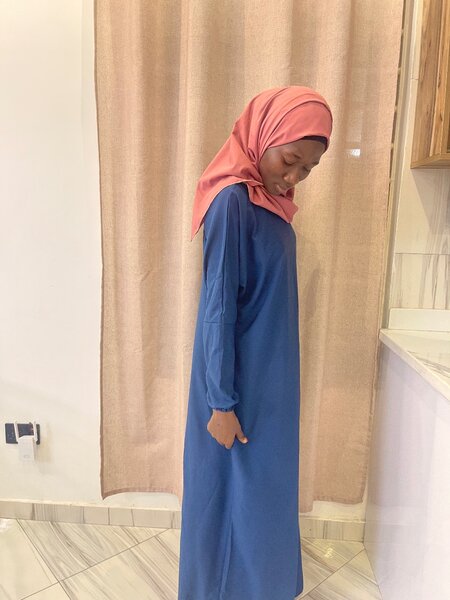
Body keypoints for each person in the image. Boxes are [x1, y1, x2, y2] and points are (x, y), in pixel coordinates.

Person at [178, 86, 333, 600]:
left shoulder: (274, 206)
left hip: (272, 379)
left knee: (265, 493)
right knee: (228, 495)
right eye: (289, 161)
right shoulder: (232, 202)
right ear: (264, 136)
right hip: (236, 382)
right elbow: (218, 308)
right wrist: (221, 402)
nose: (293, 178)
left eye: (307, 169)